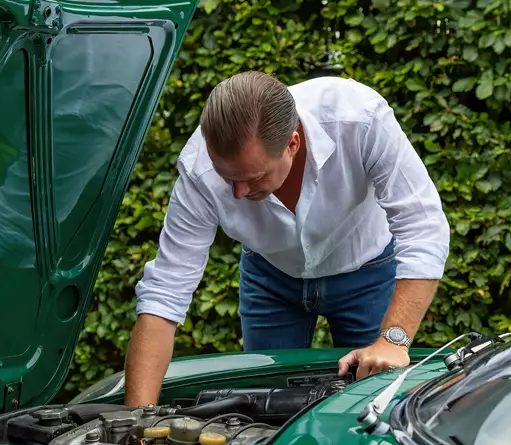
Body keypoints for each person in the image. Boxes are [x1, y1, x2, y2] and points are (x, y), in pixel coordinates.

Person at [124, 70, 450, 406]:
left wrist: (394, 341)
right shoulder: (198, 168)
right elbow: (165, 291)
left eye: (253, 177)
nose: (237, 193)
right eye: (227, 178)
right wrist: (136, 422)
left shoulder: (359, 118)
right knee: (263, 405)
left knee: (371, 401)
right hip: (270, 278)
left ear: (292, 143)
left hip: (365, 270)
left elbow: (422, 226)